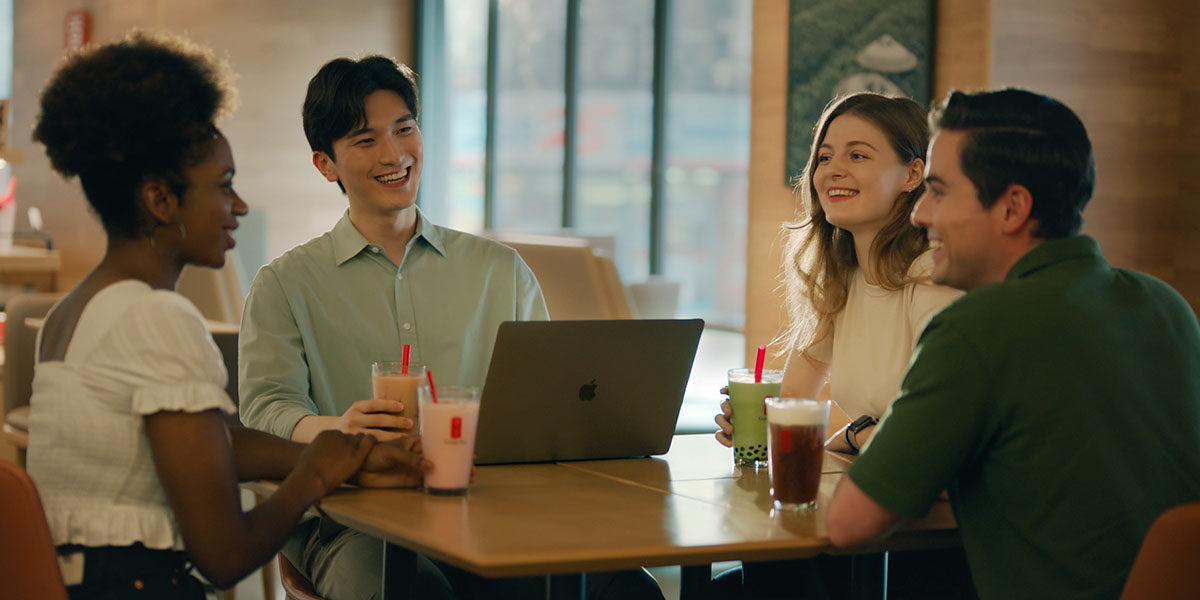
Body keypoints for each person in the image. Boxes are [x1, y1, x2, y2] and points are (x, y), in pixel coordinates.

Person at [238, 55, 662, 599]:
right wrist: (336, 430)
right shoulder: (285, 284)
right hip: (351, 523)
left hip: (490, 510)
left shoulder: (499, 270)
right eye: (365, 141)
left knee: (626, 589)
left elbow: (548, 398)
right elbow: (265, 411)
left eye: (404, 129)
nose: (394, 154)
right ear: (326, 164)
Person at [24, 32, 428, 599]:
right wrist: (315, 475)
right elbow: (224, 555)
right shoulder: (158, 319)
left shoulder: (78, 309)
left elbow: (209, 445)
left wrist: (348, 454)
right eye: (224, 186)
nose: (239, 206)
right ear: (161, 201)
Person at [826, 88, 1200, 599]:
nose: (920, 215)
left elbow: (850, 524)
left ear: (1012, 208)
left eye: (939, 191)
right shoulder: (1166, 305)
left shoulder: (977, 327)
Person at [713, 93, 967, 598]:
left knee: (761, 572)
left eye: (858, 155)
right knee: (736, 581)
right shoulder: (844, 280)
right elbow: (790, 406)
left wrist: (850, 435)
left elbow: (936, 456)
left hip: (930, 545)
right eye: (824, 157)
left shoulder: (931, 283)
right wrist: (759, 422)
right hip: (871, 519)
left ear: (913, 174)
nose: (832, 170)